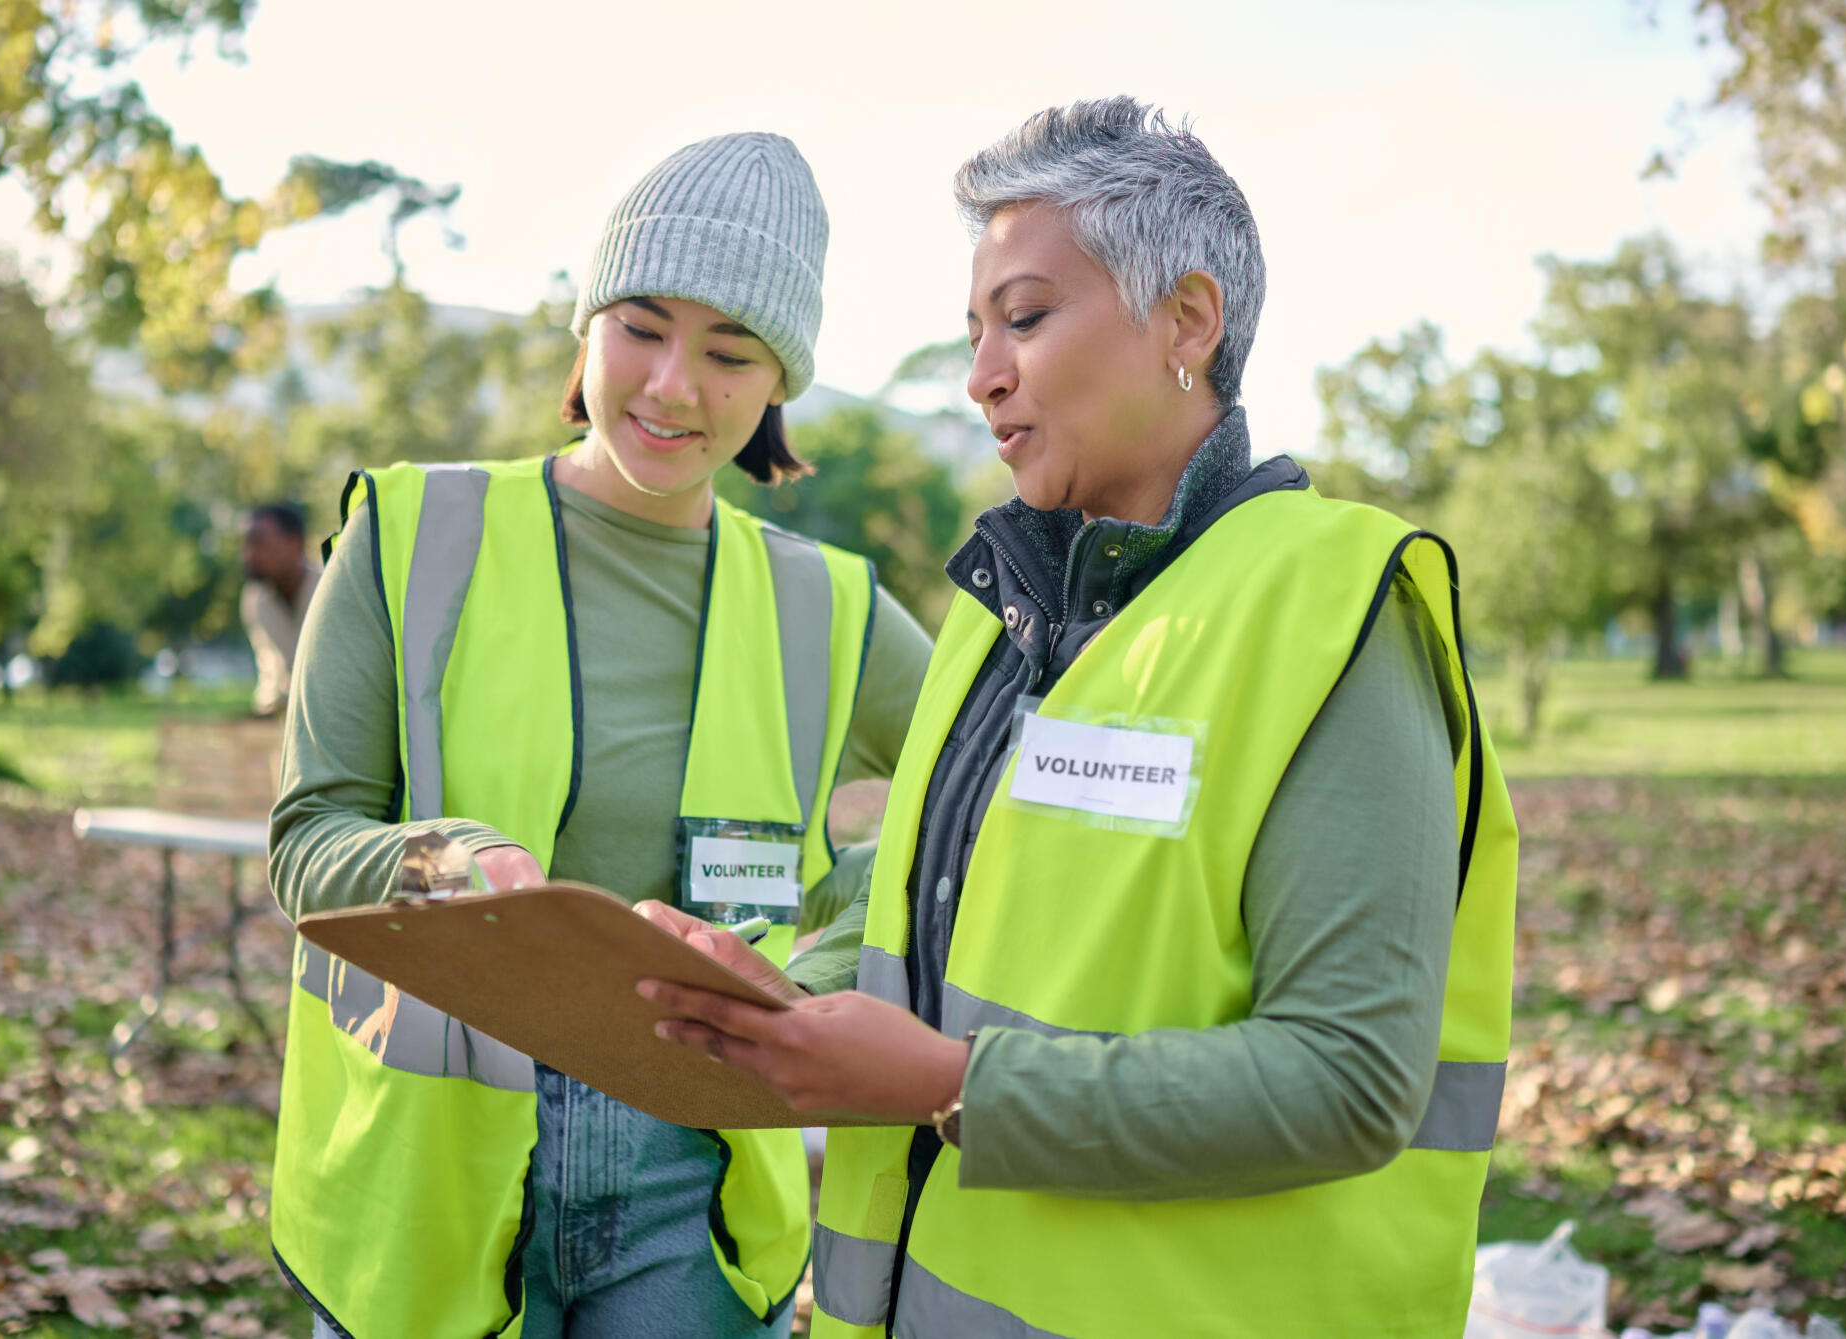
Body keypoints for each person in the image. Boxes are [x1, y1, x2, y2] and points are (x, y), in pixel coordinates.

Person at [639, 98, 1520, 1339]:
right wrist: (776, 992)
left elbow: (1349, 1077)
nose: (980, 372)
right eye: (974, 330)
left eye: (1027, 317)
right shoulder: (991, 617)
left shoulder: (1333, 614)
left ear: (1188, 322)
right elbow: (947, 932)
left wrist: (951, 1088)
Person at [265, 132, 933, 1339]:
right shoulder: (408, 534)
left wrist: (815, 971)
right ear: (585, 327)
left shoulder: (829, 606)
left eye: (730, 351)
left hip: (699, 1182)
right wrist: (449, 862)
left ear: (778, 381)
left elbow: (979, 818)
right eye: (640, 326)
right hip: (426, 1178)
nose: (674, 385)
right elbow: (308, 840)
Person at [239, 503, 320, 716]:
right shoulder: (255, 599)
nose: (248, 555)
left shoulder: (330, 590)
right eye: (246, 544)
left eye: (258, 542)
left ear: (294, 543)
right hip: (277, 721)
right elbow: (271, 674)